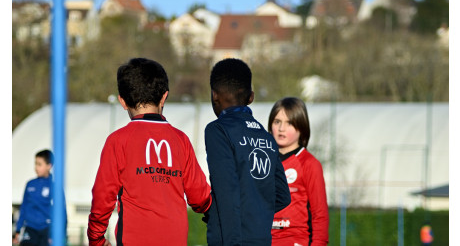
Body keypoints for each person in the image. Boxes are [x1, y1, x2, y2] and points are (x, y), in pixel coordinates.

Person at [87, 58, 212, 246]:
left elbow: (103, 197)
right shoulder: (181, 140)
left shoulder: (118, 140)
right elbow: (200, 197)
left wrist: (96, 238)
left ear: (122, 101)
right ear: (164, 97)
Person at [204, 58, 291, 245]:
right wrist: (256, 213)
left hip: (231, 240)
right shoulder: (266, 137)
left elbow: (226, 191)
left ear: (214, 95)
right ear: (251, 97)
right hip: (261, 238)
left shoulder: (217, 130)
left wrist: (215, 214)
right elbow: (283, 195)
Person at [268, 97, 329, 246]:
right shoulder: (262, 161)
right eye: (277, 122)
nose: (281, 128)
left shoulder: (309, 164)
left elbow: (319, 214)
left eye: (289, 123)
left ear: (301, 128)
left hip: (296, 241)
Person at [13, 149, 67, 246]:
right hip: (30, 228)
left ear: (49, 166)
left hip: (47, 229)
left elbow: (61, 211)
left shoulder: (55, 187)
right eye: (35, 164)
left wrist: (61, 232)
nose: (36, 167)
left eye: (39, 164)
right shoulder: (30, 184)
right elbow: (24, 207)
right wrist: (18, 229)